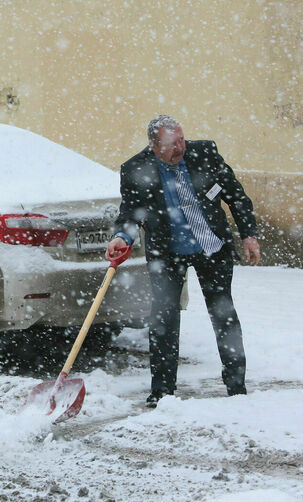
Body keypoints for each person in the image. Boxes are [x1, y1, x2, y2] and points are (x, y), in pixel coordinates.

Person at [106, 115, 260, 407]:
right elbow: (130, 214)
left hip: (211, 248)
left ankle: (236, 387)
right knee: (163, 319)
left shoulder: (204, 153)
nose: (180, 148)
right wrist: (122, 238)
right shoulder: (136, 169)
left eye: (181, 140)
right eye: (171, 144)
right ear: (153, 146)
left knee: (223, 313)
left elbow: (236, 195)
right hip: (167, 253)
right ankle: (162, 392)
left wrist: (248, 234)